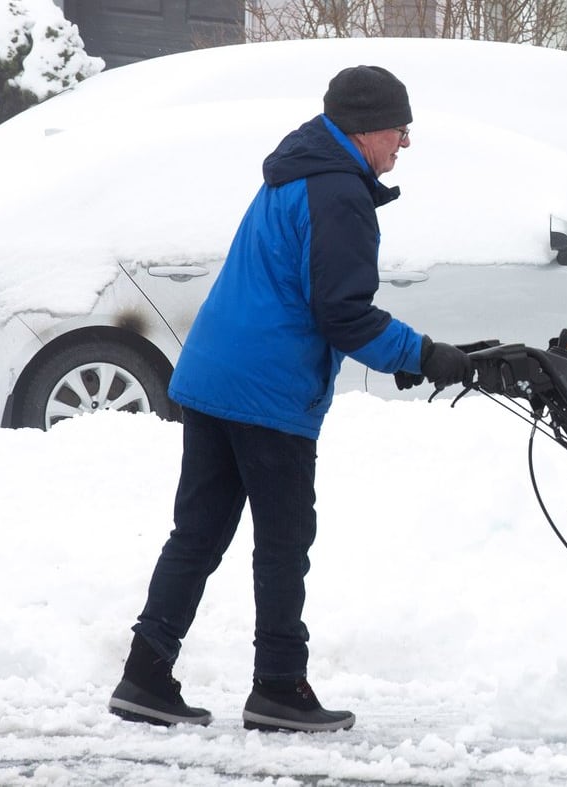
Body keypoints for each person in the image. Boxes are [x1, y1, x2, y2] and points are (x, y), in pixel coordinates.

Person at [107, 65, 472, 733]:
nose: (405, 143)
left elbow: (314, 297)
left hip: (215, 374)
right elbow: (342, 312)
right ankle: (278, 686)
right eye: (400, 129)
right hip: (266, 389)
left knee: (198, 533)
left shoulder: (297, 171)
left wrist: (403, 356)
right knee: (283, 540)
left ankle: (144, 673)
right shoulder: (340, 193)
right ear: (366, 129)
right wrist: (422, 355)